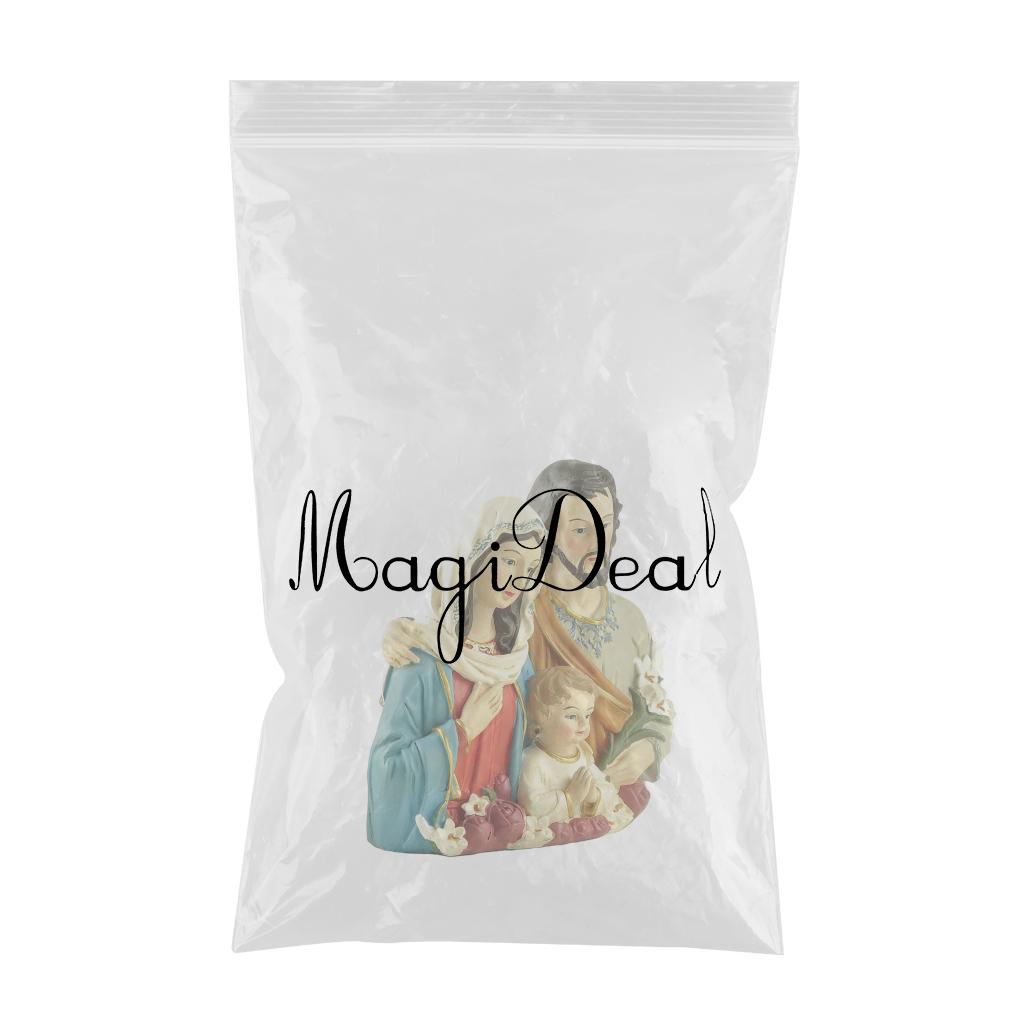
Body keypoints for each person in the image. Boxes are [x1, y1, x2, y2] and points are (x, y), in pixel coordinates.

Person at [383, 460, 671, 789]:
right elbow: (455, 637)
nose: (598, 543)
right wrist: (403, 631)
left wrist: (648, 748)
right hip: (533, 790)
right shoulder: (519, 613)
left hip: (609, 796)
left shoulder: (632, 620)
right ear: (548, 532)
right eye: (580, 530)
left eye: (605, 526)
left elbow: (655, 705)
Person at [367, 497, 544, 854]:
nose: (519, 578)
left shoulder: (516, 663)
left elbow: (531, 749)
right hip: (438, 843)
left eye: (531, 567)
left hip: (503, 846)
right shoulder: (420, 661)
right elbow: (386, 772)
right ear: (473, 556)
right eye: (510, 561)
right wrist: (462, 730)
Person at [518, 665, 633, 831]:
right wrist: (570, 797)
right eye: (572, 716)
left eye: (587, 715)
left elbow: (606, 787)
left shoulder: (582, 752)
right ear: (543, 717)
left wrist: (593, 797)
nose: (584, 724)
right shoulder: (534, 760)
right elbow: (531, 806)